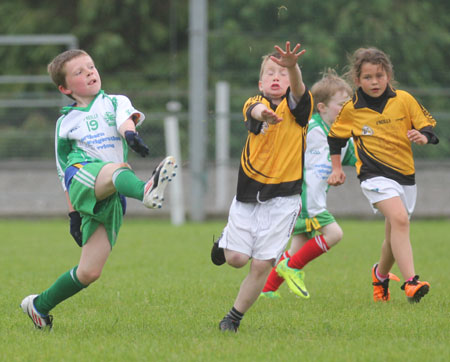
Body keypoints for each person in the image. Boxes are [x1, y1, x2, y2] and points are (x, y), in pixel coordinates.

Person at [21, 49, 177, 330]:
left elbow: (124, 120)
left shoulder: (115, 101)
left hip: (110, 190)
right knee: (119, 170)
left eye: (91, 67)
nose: (90, 73)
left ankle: (38, 306)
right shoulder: (65, 123)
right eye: (79, 72)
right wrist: (73, 215)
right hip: (81, 176)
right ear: (65, 88)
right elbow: (61, 170)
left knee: (89, 272)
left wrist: (130, 134)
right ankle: (146, 191)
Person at [210, 41, 313, 332]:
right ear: (261, 82)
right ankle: (224, 244)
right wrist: (263, 115)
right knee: (236, 260)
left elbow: (300, 90)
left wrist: (293, 66)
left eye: (282, 72)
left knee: (260, 265)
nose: (276, 77)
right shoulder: (253, 103)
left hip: (284, 199)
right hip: (248, 196)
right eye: (270, 73)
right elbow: (254, 111)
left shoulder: (300, 109)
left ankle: (233, 318)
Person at [327, 47, 438, 303]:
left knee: (393, 234)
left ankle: (380, 275)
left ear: (388, 75)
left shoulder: (404, 99)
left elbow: (427, 124)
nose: (374, 82)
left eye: (379, 75)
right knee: (400, 219)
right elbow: (335, 138)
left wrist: (423, 137)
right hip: (373, 176)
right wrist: (336, 168)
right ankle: (411, 282)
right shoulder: (351, 108)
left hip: (405, 177)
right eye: (367, 77)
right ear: (357, 80)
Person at [260, 69, 357, 299]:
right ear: (322, 107)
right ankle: (292, 268)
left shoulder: (344, 136)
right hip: (304, 198)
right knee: (334, 234)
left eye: (349, 104)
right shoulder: (311, 129)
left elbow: (359, 157)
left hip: (314, 198)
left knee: (296, 248)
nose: (347, 109)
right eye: (341, 105)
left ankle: (267, 291)